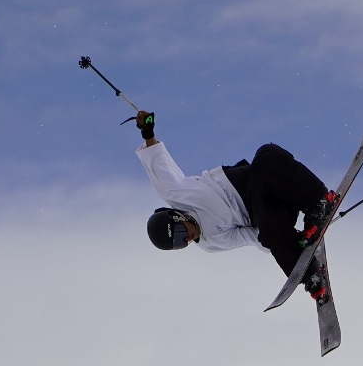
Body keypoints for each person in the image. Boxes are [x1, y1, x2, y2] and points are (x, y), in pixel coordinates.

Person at [134, 110, 337, 303]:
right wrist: (292, 244)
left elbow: (158, 165)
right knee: (267, 234)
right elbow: (251, 236)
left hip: (260, 180)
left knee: (266, 155)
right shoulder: (211, 242)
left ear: (177, 218)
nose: (185, 240)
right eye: (179, 244)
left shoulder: (177, 195)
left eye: (179, 235)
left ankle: (318, 203)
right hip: (263, 210)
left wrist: (148, 132)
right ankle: (311, 278)